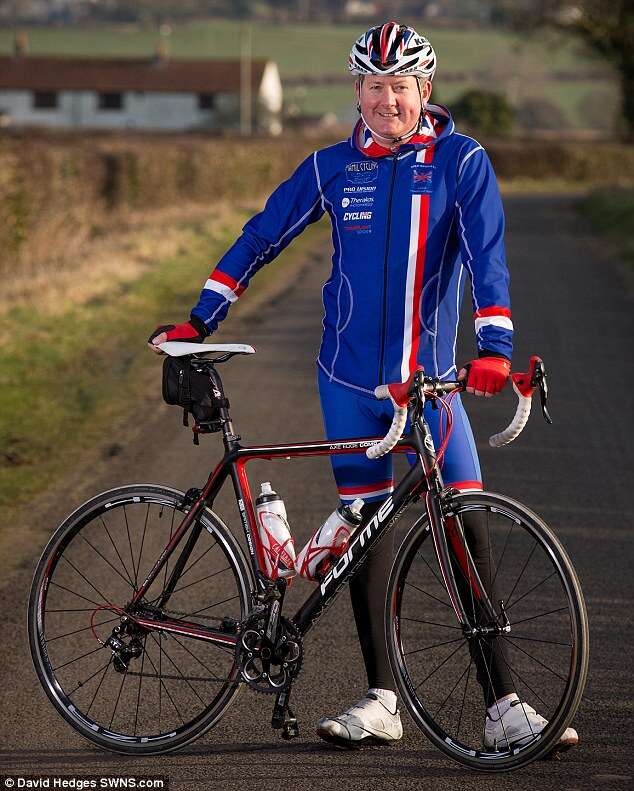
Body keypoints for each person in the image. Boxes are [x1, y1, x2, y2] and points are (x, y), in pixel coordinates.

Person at [149, 22, 578, 753]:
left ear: (424, 91)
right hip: (347, 379)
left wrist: (495, 348)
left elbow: (487, 261)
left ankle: (504, 704)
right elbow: (261, 236)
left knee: (466, 528)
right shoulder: (330, 166)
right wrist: (200, 317)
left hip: (430, 389)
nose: (387, 100)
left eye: (400, 86)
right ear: (357, 91)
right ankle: (380, 699)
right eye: (374, 86)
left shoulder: (460, 162)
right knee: (364, 529)